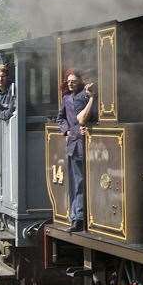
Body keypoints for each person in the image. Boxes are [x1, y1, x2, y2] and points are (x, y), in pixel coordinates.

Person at [56, 69, 95, 232]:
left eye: (74, 81)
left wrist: (90, 127)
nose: (71, 83)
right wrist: (66, 131)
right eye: (69, 81)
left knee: (84, 182)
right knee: (76, 182)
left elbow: (94, 115)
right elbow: (61, 118)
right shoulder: (66, 98)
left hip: (89, 142)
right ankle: (77, 217)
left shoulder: (86, 95)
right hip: (74, 144)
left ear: (79, 81)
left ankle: (80, 217)